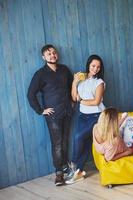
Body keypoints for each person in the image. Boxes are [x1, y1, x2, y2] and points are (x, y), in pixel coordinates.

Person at [27, 44, 73, 186]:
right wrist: (40, 110)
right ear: (44, 57)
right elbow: (30, 94)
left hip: (67, 112)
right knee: (57, 144)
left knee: (65, 141)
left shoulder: (64, 70)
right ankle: (59, 173)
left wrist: (73, 101)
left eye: (54, 53)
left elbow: (72, 87)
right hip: (53, 115)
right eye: (49, 54)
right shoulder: (40, 74)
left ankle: (66, 167)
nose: (52, 55)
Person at [66, 55, 106, 184]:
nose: (95, 69)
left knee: (78, 137)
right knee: (86, 142)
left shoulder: (99, 82)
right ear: (88, 65)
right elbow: (74, 98)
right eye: (93, 65)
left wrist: (82, 101)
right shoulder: (81, 78)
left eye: (98, 67)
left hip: (96, 115)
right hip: (82, 115)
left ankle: (73, 164)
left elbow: (96, 102)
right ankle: (78, 172)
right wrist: (74, 82)